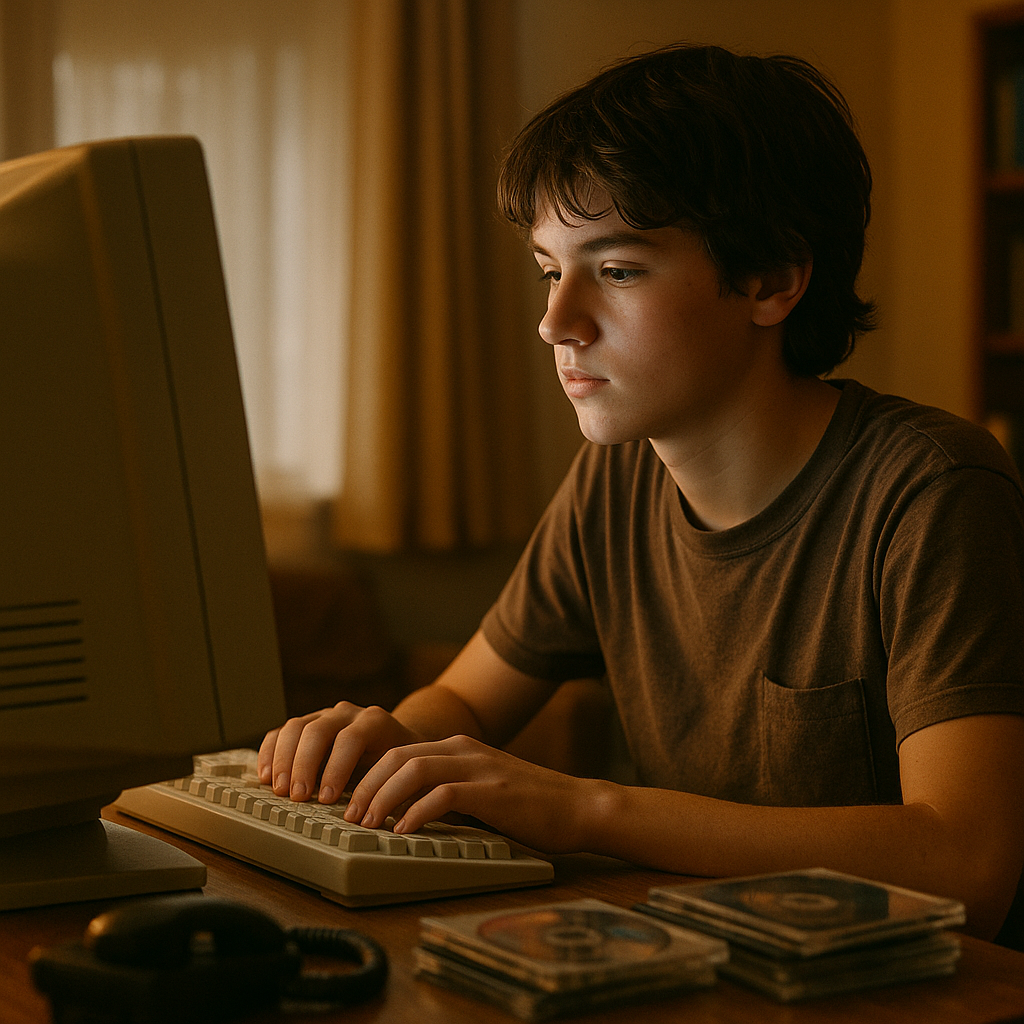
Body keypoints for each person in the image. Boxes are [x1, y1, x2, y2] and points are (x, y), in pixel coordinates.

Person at [259, 43, 1024, 947]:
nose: (556, 321)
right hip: (711, 970)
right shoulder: (617, 477)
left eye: (616, 271)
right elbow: (465, 704)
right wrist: (384, 746)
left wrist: (587, 811)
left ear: (772, 279)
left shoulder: (931, 489)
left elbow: (968, 863)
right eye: (551, 269)